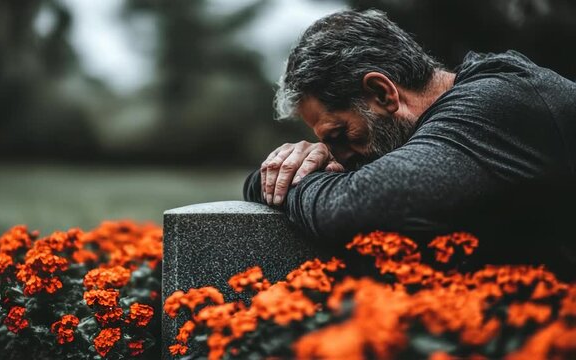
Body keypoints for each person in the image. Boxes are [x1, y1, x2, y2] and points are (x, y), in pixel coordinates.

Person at [243, 9, 576, 277]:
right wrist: (280, 169)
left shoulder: (498, 103)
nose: (339, 156)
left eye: (339, 135)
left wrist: (301, 180)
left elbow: (361, 207)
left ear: (382, 93)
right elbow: (261, 183)